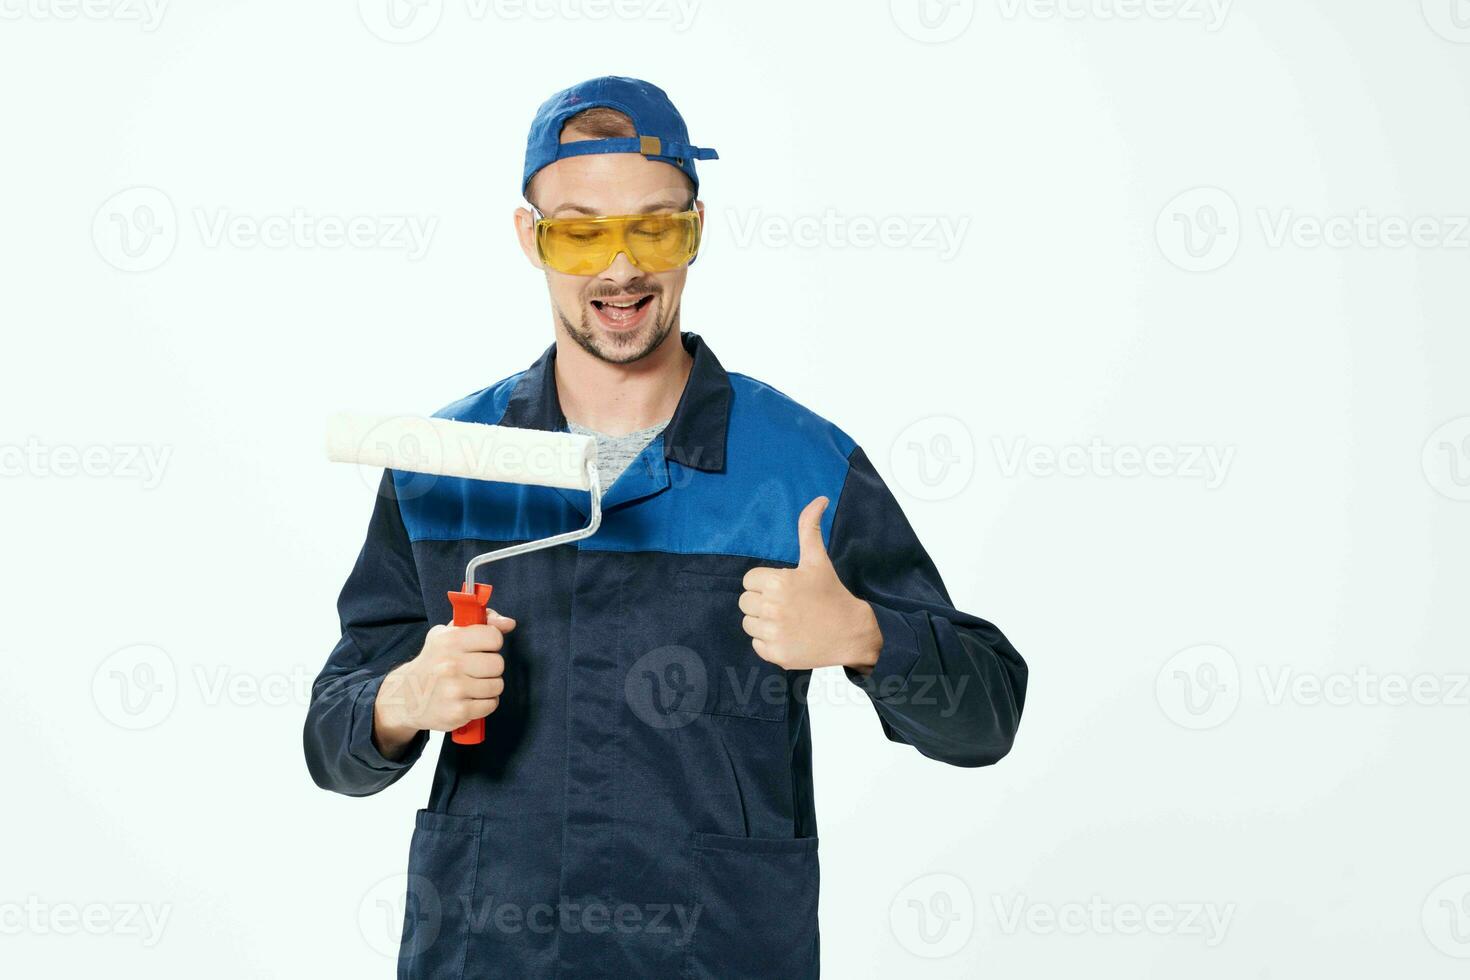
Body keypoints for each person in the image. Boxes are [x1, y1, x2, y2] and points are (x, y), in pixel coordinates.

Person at [304, 75, 1027, 980]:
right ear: (531, 239)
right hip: (489, 955)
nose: (621, 267)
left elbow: (988, 717)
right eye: (580, 229)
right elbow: (331, 742)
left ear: (696, 231)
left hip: (718, 955)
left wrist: (869, 637)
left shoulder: (800, 467)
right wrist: (401, 701)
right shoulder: (446, 464)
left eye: (655, 226)